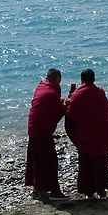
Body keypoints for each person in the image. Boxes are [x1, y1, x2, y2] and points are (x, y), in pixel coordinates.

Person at [65, 69, 108, 200]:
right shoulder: (100, 92)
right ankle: (102, 191)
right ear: (93, 79)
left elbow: (71, 114)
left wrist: (70, 96)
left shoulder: (78, 94)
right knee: (100, 163)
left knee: (86, 163)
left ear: (82, 79)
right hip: (102, 134)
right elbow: (106, 111)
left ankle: (89, 193)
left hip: (86, 136)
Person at [26, 68, 70, 201]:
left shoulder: (41, 86)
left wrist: (61, 103)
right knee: (50, 161)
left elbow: (52, 105)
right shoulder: (51, 92)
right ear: (57, 79)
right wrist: (65, 106)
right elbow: (56, 112)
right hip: (41, 132)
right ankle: (54, 192)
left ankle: (38, 189)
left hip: (34, 129)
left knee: (38, 161)